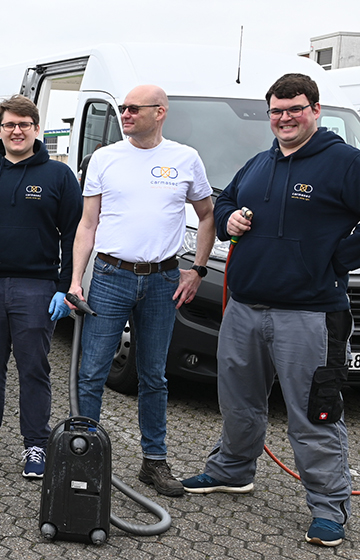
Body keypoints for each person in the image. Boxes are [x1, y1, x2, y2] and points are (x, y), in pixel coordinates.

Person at [182, 73, 357, 547]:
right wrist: (228, 219)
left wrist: (338, 259)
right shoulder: (259, 164)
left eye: (294, 109)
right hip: (245, 308)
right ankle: (232, 470)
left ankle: (328, 508)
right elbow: (225, 203)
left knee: (313, 412)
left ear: (315, 111)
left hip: (309, 315)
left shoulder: (344, 163)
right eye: (277, 111)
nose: (284, 118)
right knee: (238, 400)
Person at [67, 84, 214, 497]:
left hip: (164, 279)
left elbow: (207, 216)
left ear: (160, 112)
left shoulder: (185, 159)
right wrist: (77, 279)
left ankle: (154, 461)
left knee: (153, 375)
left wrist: (197, 270)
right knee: (92, 371)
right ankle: (83, 455)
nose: (125, 114)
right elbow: (87, 224)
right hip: (112, 275)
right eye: (122, 109)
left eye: (134, 108)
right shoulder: (105, 158)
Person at [0, 96, 82, 478]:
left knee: (34, 370)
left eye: (24, 125)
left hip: (38, 288)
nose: (17, 131)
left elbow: (74, 234)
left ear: (36, 128)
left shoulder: (58, 177)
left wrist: (65, 287)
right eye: (10, 125)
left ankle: (36, 446)